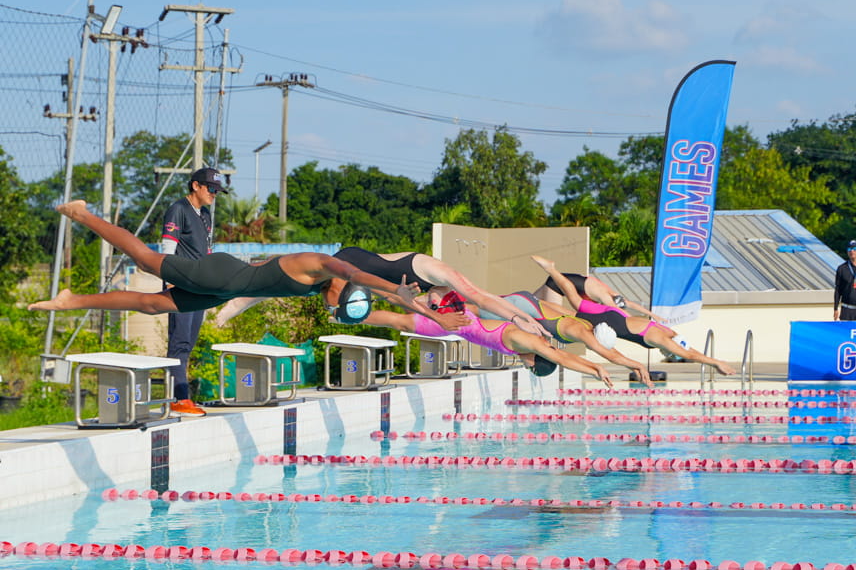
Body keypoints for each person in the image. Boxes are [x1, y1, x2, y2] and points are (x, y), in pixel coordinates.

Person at [28, 202, 440, 328]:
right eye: (337, 304)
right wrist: (394, 288)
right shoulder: (322, 265)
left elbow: (384, 304)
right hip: (221, 274)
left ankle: (71, 300)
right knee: (146, 261)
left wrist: (429, 313)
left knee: (152, 305)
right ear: (341, 287)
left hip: (223, 290)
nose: (331, 308)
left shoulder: (323, 287)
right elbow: (358, 275)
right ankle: (82, 214)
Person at [214, 246, 548, 338]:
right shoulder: (437, 272)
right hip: (353, 263)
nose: (430, 305)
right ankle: (236, 296)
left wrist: (436, 318)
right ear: (445, 298)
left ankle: (239, 295)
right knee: (293, 279)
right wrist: (520, 318)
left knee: (297, 286)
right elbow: (481, 296)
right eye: (436, 306)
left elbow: (398, 299)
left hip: (365, 281)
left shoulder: (429, 295)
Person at [349, 283, 614, 388]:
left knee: (406, 306)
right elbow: (561, 358)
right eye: (530, 367)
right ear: (535, 360)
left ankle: (359, 295)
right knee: (400, 318)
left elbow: (561, 356)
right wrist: (595, 369)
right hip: (457, 323)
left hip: (463, 318)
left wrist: (594, 368)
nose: (525, 366)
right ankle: (348, 310)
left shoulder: (529, 345)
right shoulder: (529, 342)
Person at [532, 256, 736, 376]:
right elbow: (688, 354)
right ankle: (546, 280)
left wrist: (711, 359)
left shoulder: (669, 332)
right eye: (670, 353)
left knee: (571, 304)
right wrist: (715, 362)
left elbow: (687, 349)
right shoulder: (661, 339)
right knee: (568, 308)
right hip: (611, 322)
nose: (667, 353)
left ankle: (541, 288)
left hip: (616, 315)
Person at [474, 289, 653, 386]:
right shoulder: (580, 331)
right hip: (526, 307)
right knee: (470, 309)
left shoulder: (584, 324)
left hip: (530, 303)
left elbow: (565, 355)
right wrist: (637, 365)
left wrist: (595, 367)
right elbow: (611, 356)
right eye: (596, 346)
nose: (595, 348)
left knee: (473, 299)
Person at [160, 167, 226, 417]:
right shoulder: (178, 209)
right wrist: (170, 281)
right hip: (180, 285)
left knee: (188, 342)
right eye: (211, 189)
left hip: (199, 286)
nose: (214, 194)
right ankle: (178, 399)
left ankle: (181, 396)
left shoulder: (205, 214)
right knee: (179, 342)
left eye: (217, 191)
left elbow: (205, 251)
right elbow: (168, 247)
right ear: (195, 186)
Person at [534, 270, 665, 322]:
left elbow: (631, 304)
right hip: (556, 285)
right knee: (553, 318)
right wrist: (633, 320)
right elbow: (617, 310)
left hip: (555, 281)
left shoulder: (613, 293)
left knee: (530, 301)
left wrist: (653, 315)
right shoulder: (604, 296)